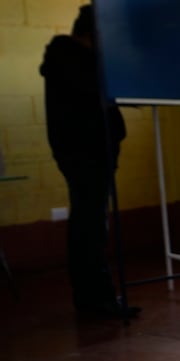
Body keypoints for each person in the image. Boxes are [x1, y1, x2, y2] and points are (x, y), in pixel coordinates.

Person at [40, 4, 136, 320]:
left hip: (86, 152)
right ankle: (96, 300)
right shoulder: (74, 61)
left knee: (91, 225)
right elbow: (98, 98)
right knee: (90, 227)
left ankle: (96, 298)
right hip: (85, 153)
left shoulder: (71, 59)